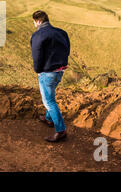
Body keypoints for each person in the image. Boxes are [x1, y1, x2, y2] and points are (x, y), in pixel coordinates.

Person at [30, 10, 70, 142]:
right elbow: (67, 49)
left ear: (38, 21)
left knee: (49, 101)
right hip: (60, 71)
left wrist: (38, 70)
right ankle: (48, 119)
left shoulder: (38, 35)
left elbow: (36, 55)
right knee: (50, 94)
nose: (34, 24)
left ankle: (61, 130)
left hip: (47, 73)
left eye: (34, 22)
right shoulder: (61, 32)